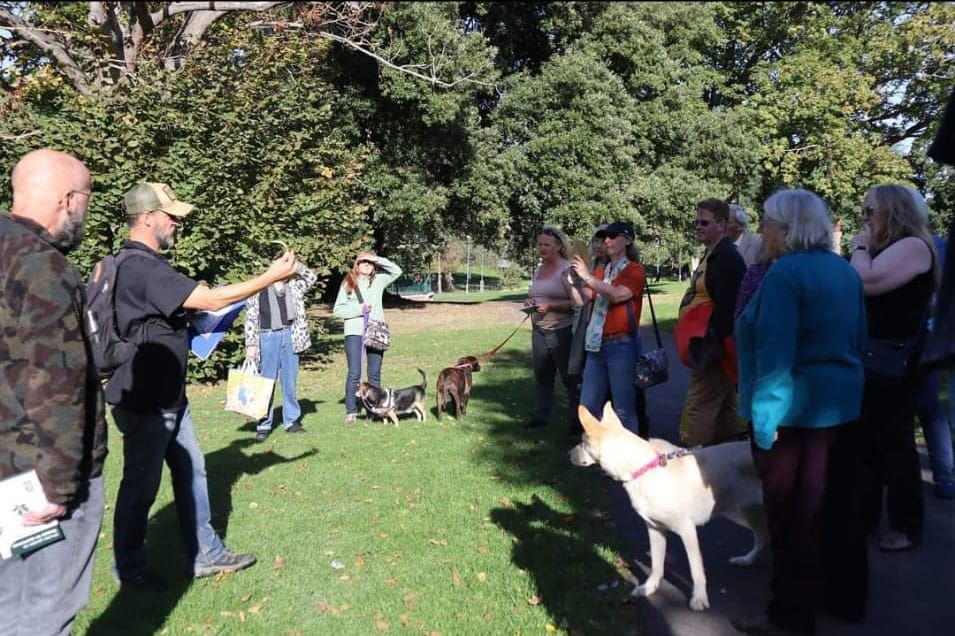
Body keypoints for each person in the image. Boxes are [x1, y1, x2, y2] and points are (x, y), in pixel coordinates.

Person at [106, 182, 300, 590]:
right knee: (141, 485)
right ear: (145, 218)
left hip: (170, 395)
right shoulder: (140, 266)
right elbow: (209, 300)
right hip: (145, 400)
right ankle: (129, 568)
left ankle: (206, 554)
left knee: (192, 471)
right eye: (170, 215)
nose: (177, 221)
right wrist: (270, 277)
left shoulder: (143, 265)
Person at [731, 189, 867, 636]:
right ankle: (826, 600)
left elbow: (775, 357)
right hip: (838, 410)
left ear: (787, 229)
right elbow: (859, 339)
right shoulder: (843, 270)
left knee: (789, 522)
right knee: (823, 513)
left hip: (789, 417)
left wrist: (763, 425)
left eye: (768, 222)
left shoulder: (786, 274)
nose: (762, 230)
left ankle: (788, 617)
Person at [0, 149, 106, 634]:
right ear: (68, 199)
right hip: (35, 478)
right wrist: (61, 485)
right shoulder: (41, 265)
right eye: (86, 198)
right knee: (43, 610)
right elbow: (56, 380)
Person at [849, 183, 938, 552]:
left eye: (871, 211)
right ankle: (866, 518)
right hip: (876, 357)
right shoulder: (892, 247)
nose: (865, 218)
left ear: (891, 211)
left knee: (895, 445)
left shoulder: (913, 246)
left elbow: (865, 281)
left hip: (895, 362)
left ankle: (905, 524)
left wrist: (859, 246)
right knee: (868, 443)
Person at [677, 199, 746, 446]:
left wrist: (707, 344)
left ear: (722, 225)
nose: (698, 227)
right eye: (696, 222)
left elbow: (728, 310)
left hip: (715, 349)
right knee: (726, 405)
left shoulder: (727, 258)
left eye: (704, 222)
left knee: (699, 406)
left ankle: (695, 464)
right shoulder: (713, 254)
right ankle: (731, 458)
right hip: (714, 346)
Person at [570, 221, 646, 433]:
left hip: (621, 345)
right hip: (596, 346)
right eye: (605, 237)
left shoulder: (635, 270)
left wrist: (587, 276)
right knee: (588, 406)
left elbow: (617, 294)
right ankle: (594, 453)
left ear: (628, 241)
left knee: (623, 409)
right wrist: (573, 280)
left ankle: (630, 460)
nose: (607, 241)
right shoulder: (604, 271)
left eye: (613, 236)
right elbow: (582, 299)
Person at [244, 250, 318, 442]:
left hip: (291, 334)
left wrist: (295, 264)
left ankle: (291, 421)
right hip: (267, 336)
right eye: (280, 262)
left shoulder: (294, 285)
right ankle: (263, 423)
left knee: (289, 381)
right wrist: (251, 344)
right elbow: (251, 317)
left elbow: (312, 276)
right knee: (266, 382)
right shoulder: (259, 286)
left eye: (287, 263)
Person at [332, 250, 403, 425]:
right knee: (354, 373)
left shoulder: (379, 280)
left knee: (374, 374)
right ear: (357, 264)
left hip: (376, 331)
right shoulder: (349, 282)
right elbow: (337, 310)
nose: (367, 265)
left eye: (370, 262)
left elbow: (397, 271)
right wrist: (359, 309)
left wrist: (377, 258)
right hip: (355, 332)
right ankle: (351, 411)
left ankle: (375, 409)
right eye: (363, 261)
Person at [523, 226, 580, 432]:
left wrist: (551, 306)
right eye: (539, 244)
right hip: (538, 329)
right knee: (542, 377)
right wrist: (530, 301)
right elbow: (537, 294)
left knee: (569, 378)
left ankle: (576, 423)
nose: (541, 248)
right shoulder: (539, 268)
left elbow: (576, 303)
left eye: (546, 244)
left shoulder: (566, 269)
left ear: (557, 246)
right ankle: (541, 417)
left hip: (561, 331)